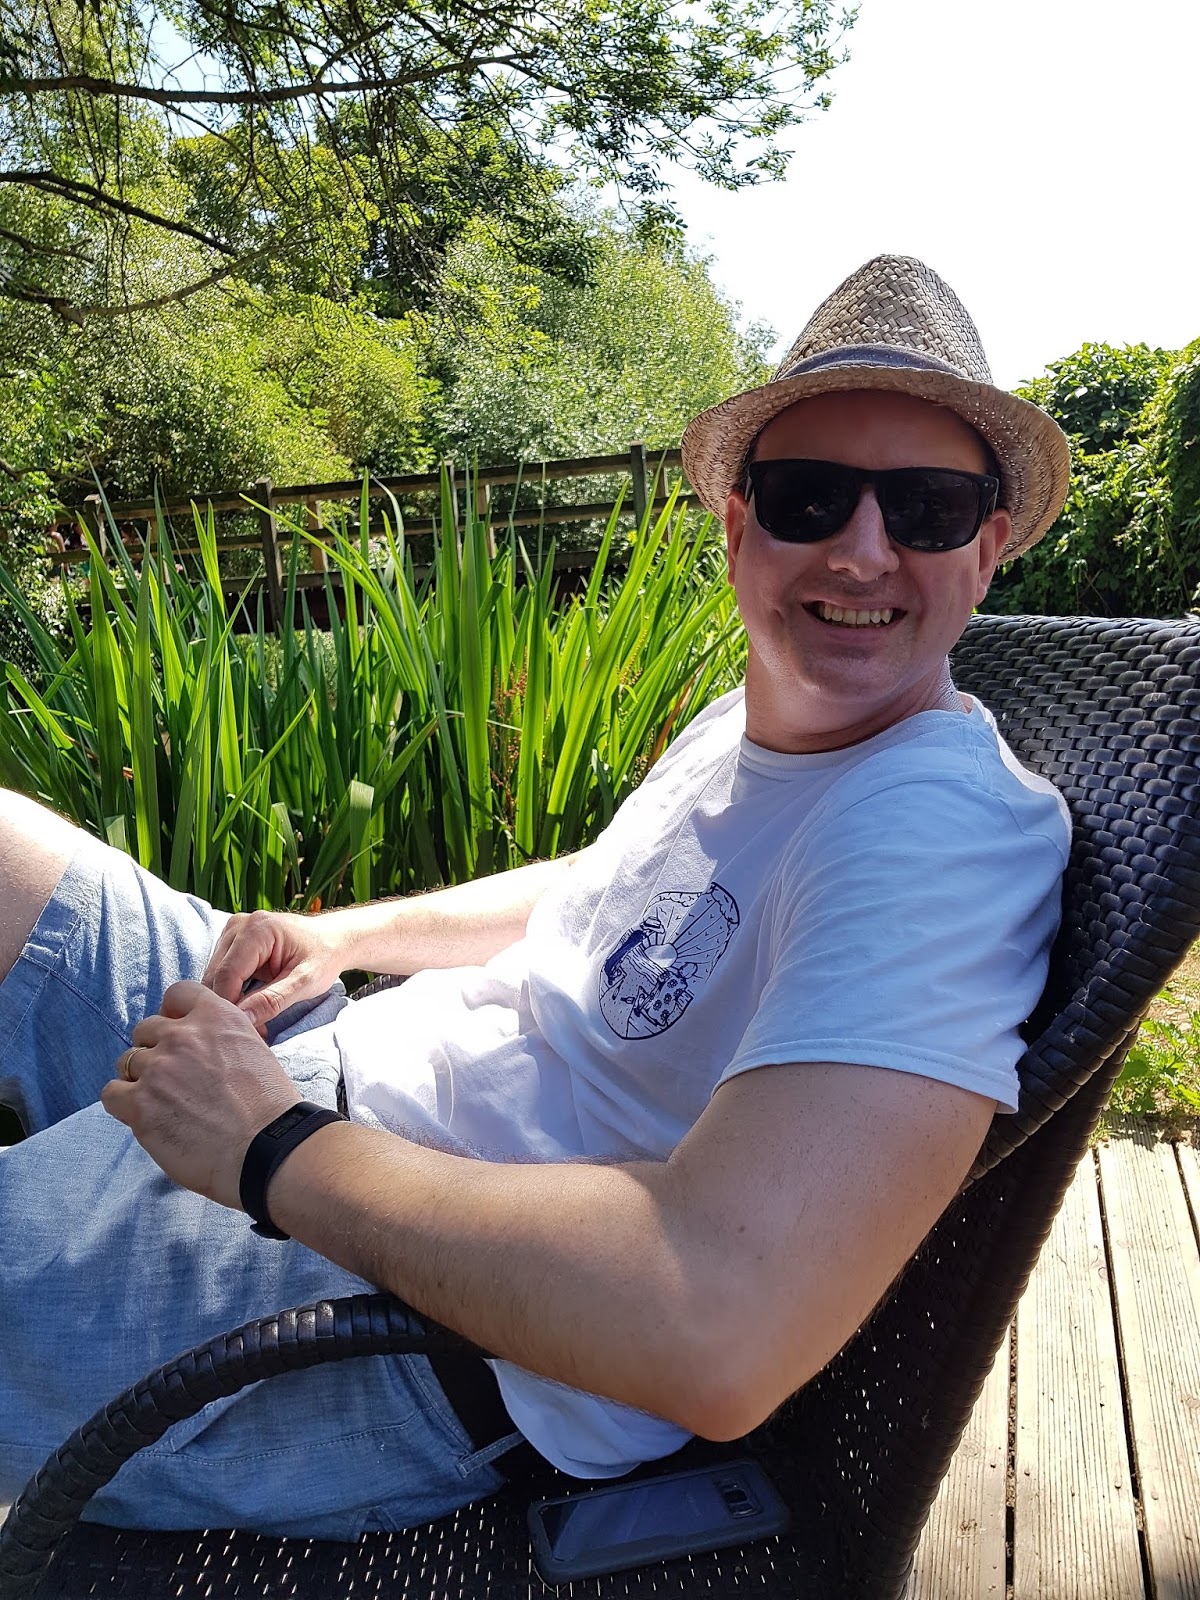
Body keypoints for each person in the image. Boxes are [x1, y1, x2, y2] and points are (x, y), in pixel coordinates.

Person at [0, 255, 1073, 1538]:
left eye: (928, 508)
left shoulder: (933, 834)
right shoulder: (760, 722)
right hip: (336, 1083)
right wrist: (341, 935)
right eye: (809, 496)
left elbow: (719, 1323)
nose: (861, 549)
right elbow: (598, 891)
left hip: (395, 1313)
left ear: (988, 548)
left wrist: (270, 1147)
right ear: (739, 528)